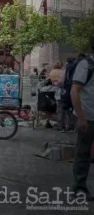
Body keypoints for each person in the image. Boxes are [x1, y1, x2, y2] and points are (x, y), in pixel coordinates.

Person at [70, 36, 94, 201]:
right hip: (88, 117)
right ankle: (79, 188)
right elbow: (74, 91)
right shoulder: (86, 65)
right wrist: (81, 117)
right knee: (83, 153)